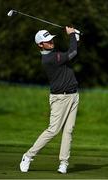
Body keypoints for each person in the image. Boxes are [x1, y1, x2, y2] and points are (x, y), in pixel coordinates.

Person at [20, 26, 79, 174]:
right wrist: (72, 35)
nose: (51, 42)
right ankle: (28, 156)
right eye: (47, 41)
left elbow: (72, 50)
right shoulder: (49, 59)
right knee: (53, 130)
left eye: (51, 39)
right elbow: (72, 52)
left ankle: (63, 163)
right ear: (40, 45)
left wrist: (75, 37)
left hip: (73, 96)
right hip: (60, 98)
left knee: (68, 131)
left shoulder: (55, 54)